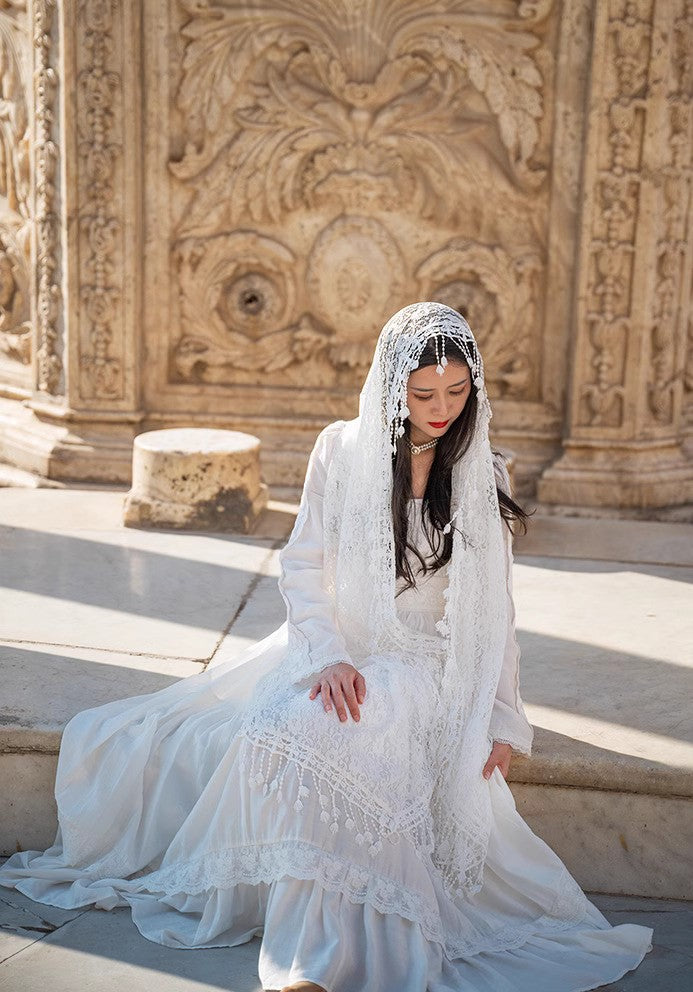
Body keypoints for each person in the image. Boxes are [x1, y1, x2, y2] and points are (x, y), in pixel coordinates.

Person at [0, 302, 653, 992]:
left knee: (348, 732)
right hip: (336, 645)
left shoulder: (482, 473)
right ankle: (311, 944)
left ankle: (314, 959)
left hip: (426, 665)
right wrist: (326, 655)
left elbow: (495, 611)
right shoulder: (340, 450)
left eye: (457, 393)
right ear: (390, 384)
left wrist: (498, 716)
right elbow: (302, 564)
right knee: (283, 726)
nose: (441, 409)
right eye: (424, 394)